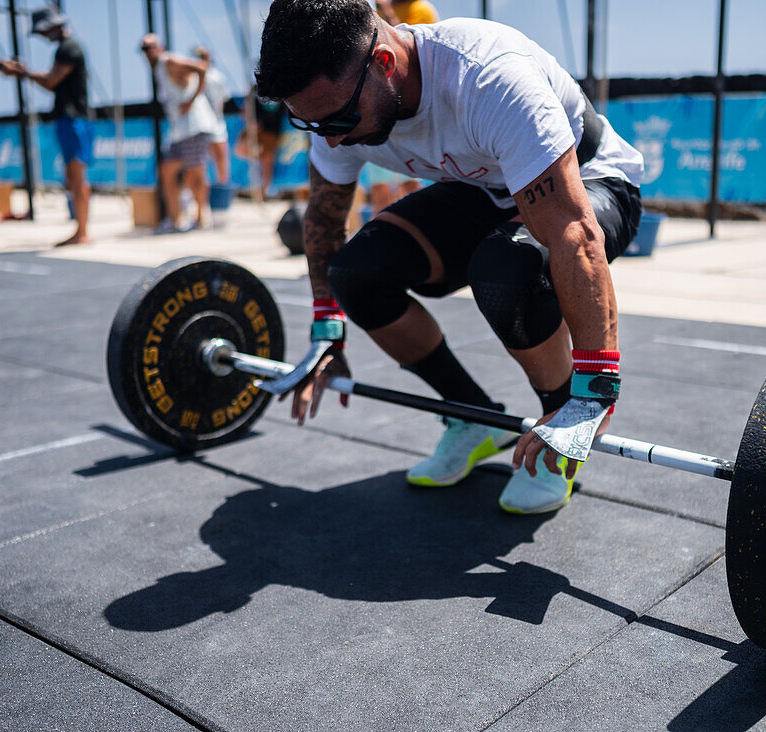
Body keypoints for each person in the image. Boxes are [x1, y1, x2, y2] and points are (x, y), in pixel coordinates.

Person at [255, 0, 643, 514]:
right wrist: (326, 329)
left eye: (340, 120)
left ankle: (559, 429)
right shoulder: (335, 104)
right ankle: (472, 416)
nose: (333, 138)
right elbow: (326, 221)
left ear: (384, 63)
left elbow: (572, 232)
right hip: (484, 188)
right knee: (357, 273)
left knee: (507, 269)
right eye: (311, 125)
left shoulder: (488, 78)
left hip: (592, 184)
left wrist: (593, 391)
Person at [0, 6, 92, 246]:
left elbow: (51, 80)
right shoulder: (66, 48)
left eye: (42, 31)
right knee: (74, 177)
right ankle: (80, 231)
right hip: (71, 120)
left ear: (51, 26)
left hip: (74, 120)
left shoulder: (69, 48)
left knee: (77, 176)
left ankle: (82, 233)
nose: (41, 36)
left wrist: (22, 72)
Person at [140, 34, 225, 232]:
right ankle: (174, 219)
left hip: (194, 125)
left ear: (159, 47)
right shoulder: (159, 69)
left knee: (196, 173)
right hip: (179, 130)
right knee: (166, 170)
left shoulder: (169, 61)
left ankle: (202, 217)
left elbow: (202, 68)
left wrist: (193, 99)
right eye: (144, 48)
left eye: (150, 47)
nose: (147, 51)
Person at [365, 0, 439, 212]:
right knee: (379, 189)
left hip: (411, 115)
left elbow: (409, 51)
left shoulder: (421, 9)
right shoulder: (374, 11)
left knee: (411, 186)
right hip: (379, 111)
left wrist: (386, 12)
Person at [193, 46, 231, 185]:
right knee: (205, 162)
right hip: (207, 124)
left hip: (208, 124)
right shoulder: (217, 76)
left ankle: (219, 192)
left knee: (211, 161)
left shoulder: (215, 77)